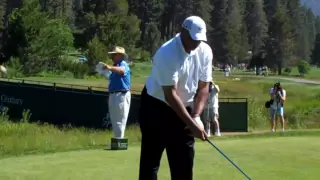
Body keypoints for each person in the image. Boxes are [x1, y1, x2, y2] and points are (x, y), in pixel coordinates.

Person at [138, 16, 212, 180]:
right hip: (156, 108)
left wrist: (196, 116)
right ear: (183, 32)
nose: (196, 43)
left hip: (184, 108)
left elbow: (204, 87)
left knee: (184, 165)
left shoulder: (205, 51)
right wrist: (191, 125)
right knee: (150, 164)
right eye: (193, 39)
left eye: (199, 39)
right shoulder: (167, 52)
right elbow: (170, 94)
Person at [101, 46, 131, 140]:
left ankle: (119, 140)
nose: (112, 56)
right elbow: (112, 81)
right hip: (114, 94)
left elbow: (122, 71)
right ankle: (117, 140)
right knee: (114, 119)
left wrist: (109, 67)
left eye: (114, 54)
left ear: (119, 55)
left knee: (120, 119)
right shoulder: (115, 67)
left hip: (121, 94)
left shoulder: (123, 64)